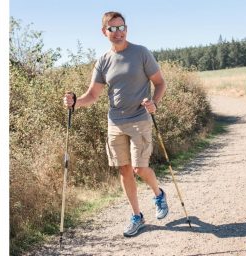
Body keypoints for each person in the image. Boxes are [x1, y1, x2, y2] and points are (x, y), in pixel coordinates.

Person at [63, 11, 169, 237]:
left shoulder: (141, 53)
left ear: (126, 29)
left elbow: (160, 83)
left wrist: (155, 104)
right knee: (124, 169)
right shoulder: (103, 61)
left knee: (140, 168)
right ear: (104, 32)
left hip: (140, 119)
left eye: (122, 27)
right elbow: (92, 95)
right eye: (113, 28)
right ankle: (137, 216)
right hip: (115, 122)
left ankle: (159, 194)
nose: (118, 32)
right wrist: (74, 103)